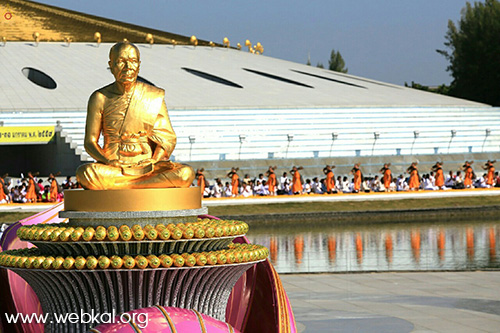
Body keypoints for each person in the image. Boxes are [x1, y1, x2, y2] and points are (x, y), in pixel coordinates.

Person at [76, 41, 195, 190]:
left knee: (185, 174)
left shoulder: (152, 96)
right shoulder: (100, 97)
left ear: (139, 64)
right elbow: (90, 142)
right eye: (121, 62)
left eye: (132, 61)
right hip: (116, 166)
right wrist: (107, 161)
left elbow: (167, 139)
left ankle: (128, 186)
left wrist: (154, 161)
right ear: (111, 65)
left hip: (148, 165)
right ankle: (140, 186)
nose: (128, 68)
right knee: (86, 173)